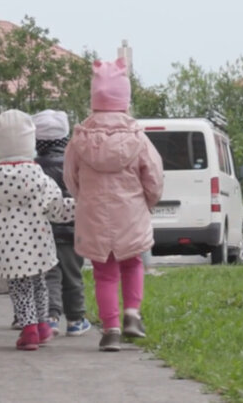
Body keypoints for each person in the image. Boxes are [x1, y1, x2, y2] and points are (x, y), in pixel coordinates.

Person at [63, 58, 164, 352]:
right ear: (125, 101)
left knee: (104, 272)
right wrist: (149, 200)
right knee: (132, 262)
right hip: (130, 210)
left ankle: (110, 330)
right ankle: (132, 313)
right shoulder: (137, 138)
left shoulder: (79, 139)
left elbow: (70, 177)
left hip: (94, 212)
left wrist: (84, 199)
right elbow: (154, 175)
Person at [0, 109, 75, 351]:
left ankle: (28, 330)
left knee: (20, 288)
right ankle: (42, 325)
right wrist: (80, 209)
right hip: (39, 244)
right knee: (40, 283)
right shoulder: (39, 176)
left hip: (9, 248)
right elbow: (56, 208)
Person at [32, 109, 91, 337]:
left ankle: (51, 317)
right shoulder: (74, 163)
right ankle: (76, 320)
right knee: (73, 276)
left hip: (42, 232)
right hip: (72, 231)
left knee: (50, 276)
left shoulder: (33, 167)